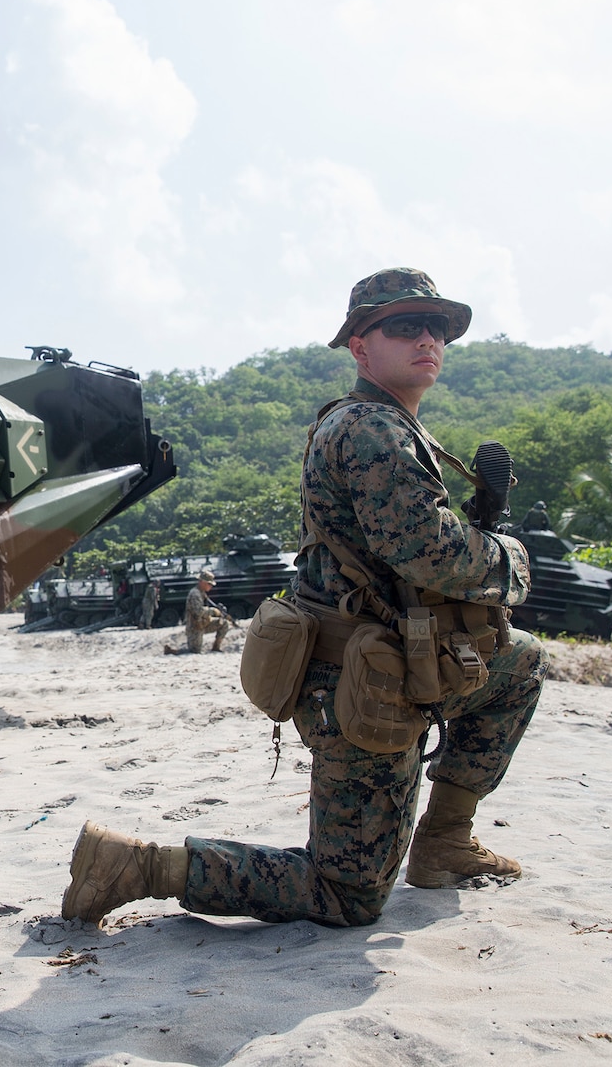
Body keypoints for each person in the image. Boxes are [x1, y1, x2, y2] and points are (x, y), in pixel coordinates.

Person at [63, 268, 545, 930]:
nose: (427, 339)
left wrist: (481, 520)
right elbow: (432, 554)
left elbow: (407, 554)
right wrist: (511, 554)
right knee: (346, 895)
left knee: (517, 665)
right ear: (360, 346)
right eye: (404, 325)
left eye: (437, 328)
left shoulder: (389, 428)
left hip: (396, 665)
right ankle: (139, 865)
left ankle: (444, 843)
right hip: (358, 686)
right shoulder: (375, 430)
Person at [178, 571, 231, 653]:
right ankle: (173, 651)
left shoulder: (202, 593)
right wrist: (213, 611)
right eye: (209, 584)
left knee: (224, 623)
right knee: (194, 651)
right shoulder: (195, 594)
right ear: (202, 582)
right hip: (194, 627)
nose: (211, 587)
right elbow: (198, 611)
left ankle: (216, 647)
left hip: (204, 623)